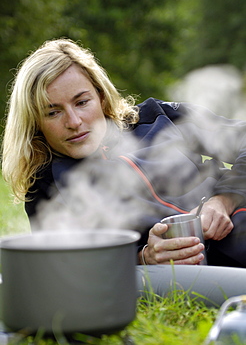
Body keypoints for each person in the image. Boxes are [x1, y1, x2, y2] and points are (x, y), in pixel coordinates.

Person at [2, 38, 246, 268]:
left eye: (82, 102)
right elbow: (69, 265)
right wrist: (144, 257)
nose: (74, 122)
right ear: (35, 121)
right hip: (208, 274)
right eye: (53, 112)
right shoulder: (46, 184)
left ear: (100, 96)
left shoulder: (156, 116)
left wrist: (223, 199)